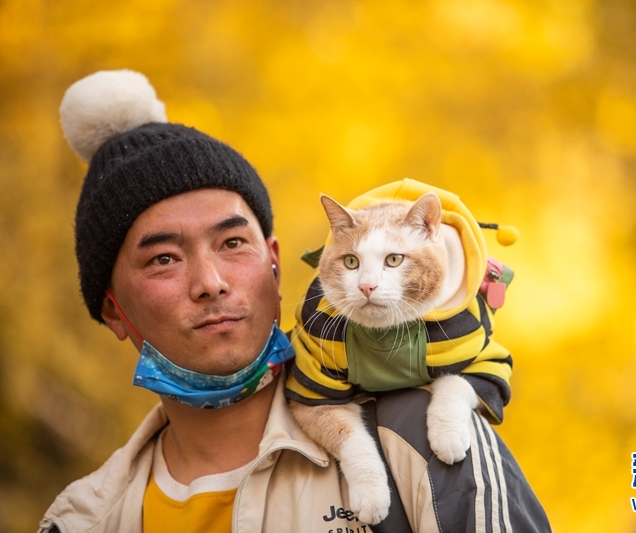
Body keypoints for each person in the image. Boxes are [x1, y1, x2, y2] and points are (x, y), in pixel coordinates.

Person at [38, 69, 551, 533]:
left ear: (277, 263)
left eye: (233, 243)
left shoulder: (421, 441)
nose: (211, 282)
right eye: (164, 259)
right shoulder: (80, 521)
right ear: (112, 311)